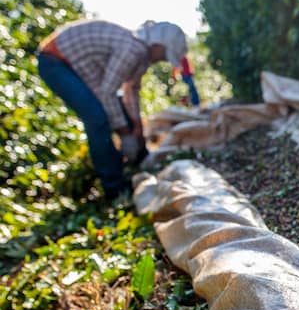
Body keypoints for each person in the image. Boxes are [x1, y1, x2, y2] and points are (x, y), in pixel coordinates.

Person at [37, 19, 188, 200]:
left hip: (77, 67)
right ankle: (114, 188)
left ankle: (140, 161)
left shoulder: (141, 56)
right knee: (97, 118)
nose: (161, 60)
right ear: (158, 44)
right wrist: (124, 132)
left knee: (116, 113)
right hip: (55, 62)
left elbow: (130, 92)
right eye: (164, 54)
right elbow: (107, 92)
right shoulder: (132, 49)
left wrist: (137, 126)